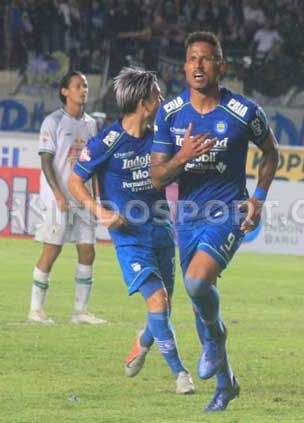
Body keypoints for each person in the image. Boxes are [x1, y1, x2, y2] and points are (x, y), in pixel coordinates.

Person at [151, 31, 279, 412]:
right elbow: (158, 177)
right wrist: (182, 157)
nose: (197, 65)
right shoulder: (170, 112)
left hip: (228, 213)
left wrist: (258, 198)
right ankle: (226, 384)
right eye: (191, 59)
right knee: (197, 301)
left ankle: (211, 343)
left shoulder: (244, 113)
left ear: (220, 67)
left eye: (206, 59)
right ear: (185, 66)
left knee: (195, 282)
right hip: (187, 218)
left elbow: (271, 153)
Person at [67, 67, 195, 395]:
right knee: (157, 301)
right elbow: (74, 180)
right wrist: (102, 212)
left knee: (163, 307)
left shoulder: (161, 138)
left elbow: (175, 174)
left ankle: (143, 340)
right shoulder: (108, 141)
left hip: (162, 231)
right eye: (156, 94)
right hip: (130, 238)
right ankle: (181, 374)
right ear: (142, 101)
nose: (161, 99)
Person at [28, 70, 106, 325]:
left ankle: (80, 311)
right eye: (77, 86)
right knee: (52, 250)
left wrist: (97, 196)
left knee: (88, 251)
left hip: (83, 197)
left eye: (85, 85)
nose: (83, 90)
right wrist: (58, 193)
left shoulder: (91, 124)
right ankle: (35, 310)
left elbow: (94, 163)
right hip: (57, 198)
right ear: (64, 91)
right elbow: (46, 161)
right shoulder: (53, 122)